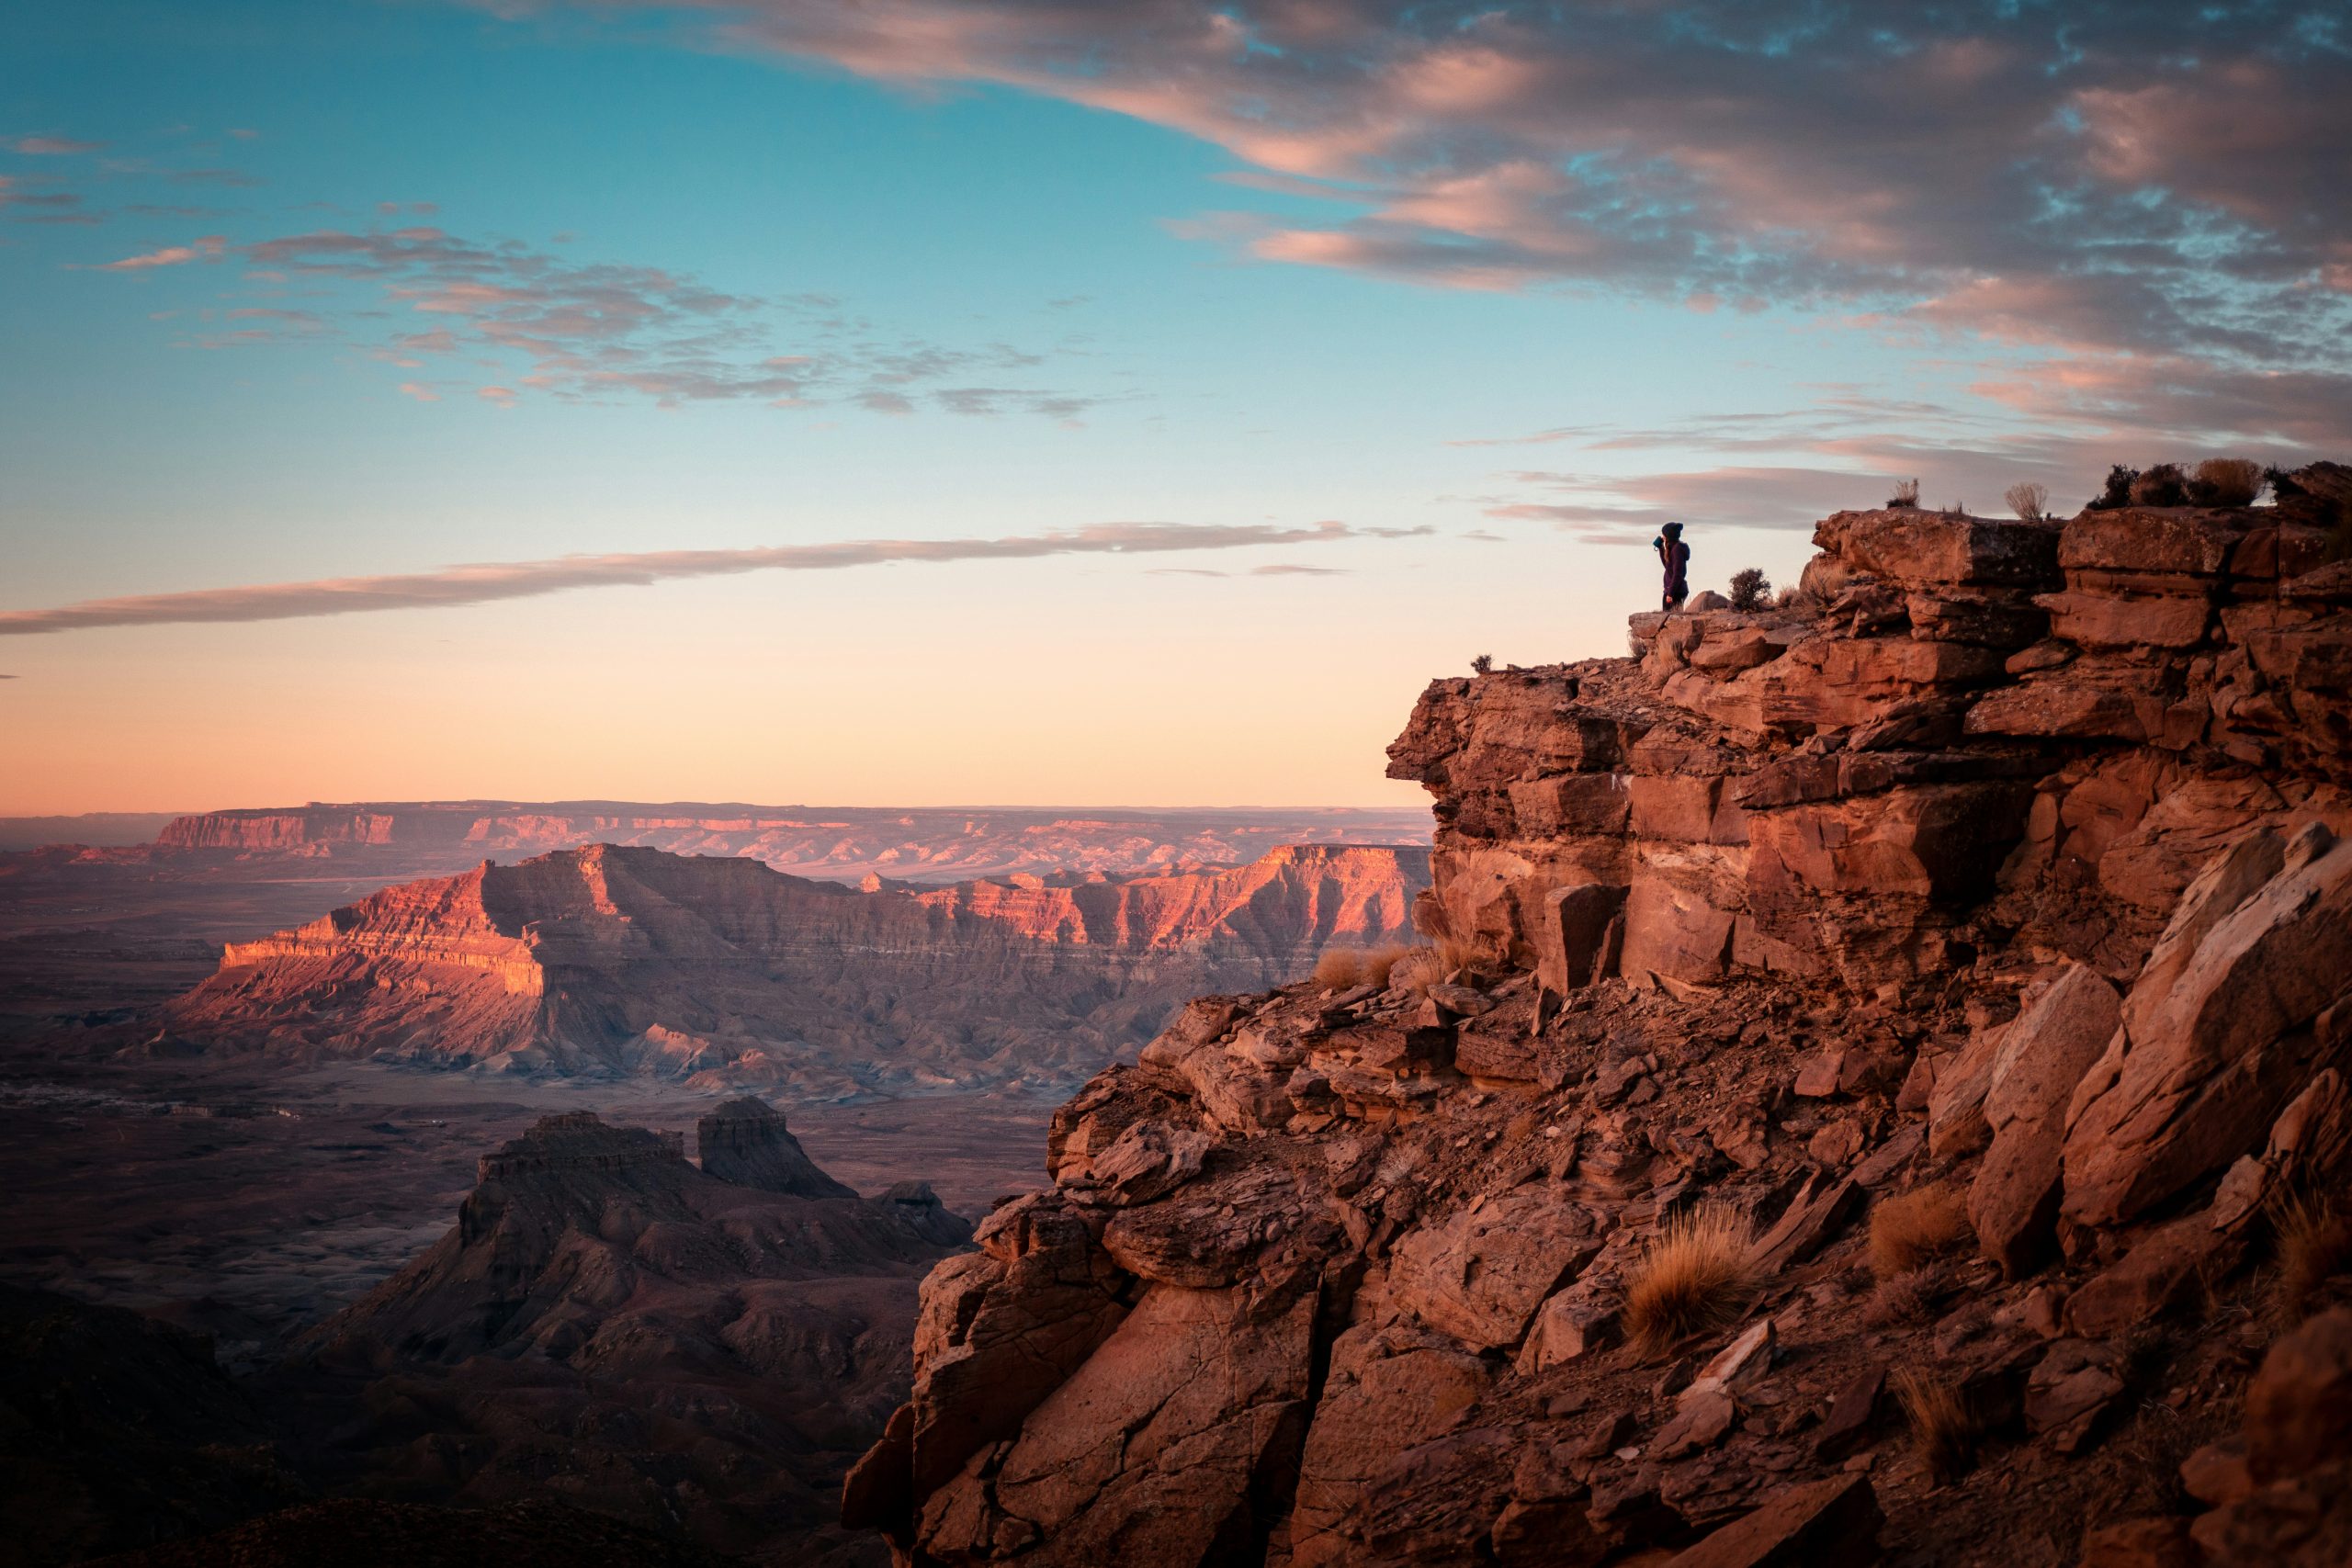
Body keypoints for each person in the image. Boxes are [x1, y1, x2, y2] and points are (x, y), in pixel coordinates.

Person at [1654, 521, 1690, 611]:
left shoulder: (1677, 549)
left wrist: (1670, 593)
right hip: (1674, 590)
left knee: (1672, 621)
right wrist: (1661, 548)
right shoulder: (1673, 549)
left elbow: (1678, 573)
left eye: (1664, 535)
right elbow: (1668, 567)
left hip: (1675, 592)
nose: (1663, 537)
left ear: (1668, 536)